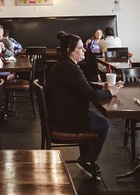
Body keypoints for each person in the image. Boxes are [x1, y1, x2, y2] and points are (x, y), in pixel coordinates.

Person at [44, 31, 119, 180]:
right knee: (103, 124)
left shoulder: (66, 66)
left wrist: (101, 88)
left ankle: (85, 158)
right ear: (69, 51)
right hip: (63, 119)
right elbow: (89, 95)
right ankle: (86, 160)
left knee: (92, 118)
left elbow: (83, 86)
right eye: (80, 48)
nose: (84, 50)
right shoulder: (69, 68)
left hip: (59, 114)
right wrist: (110, 92)